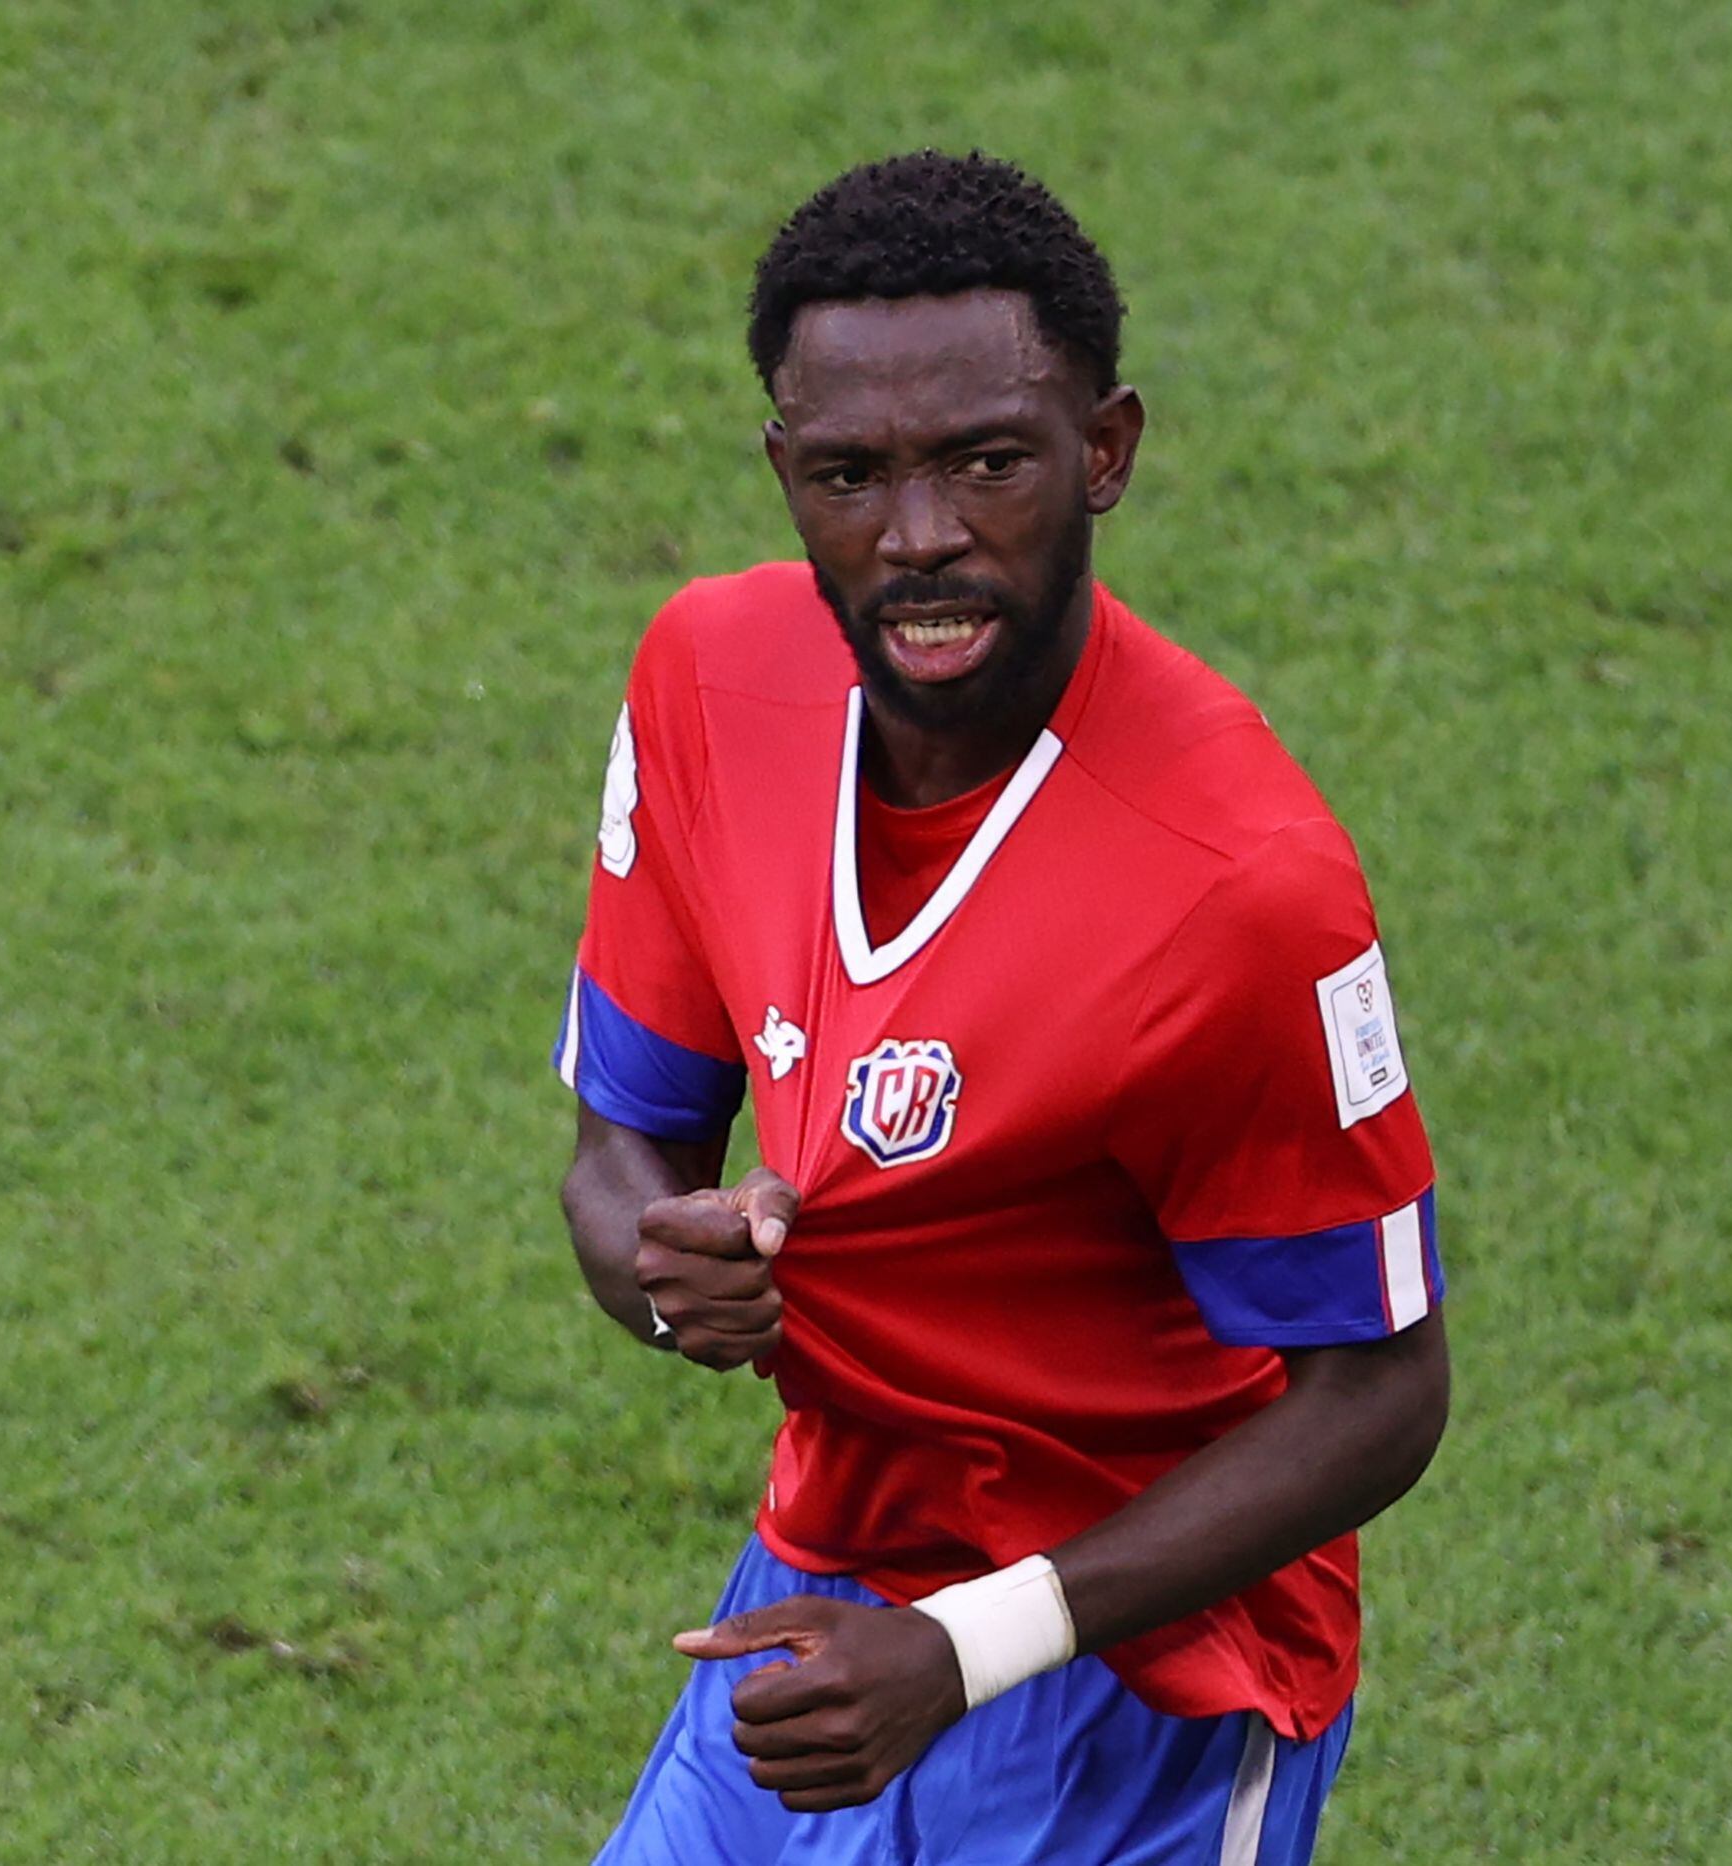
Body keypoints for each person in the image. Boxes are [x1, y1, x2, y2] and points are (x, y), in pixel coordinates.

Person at [553, 150, 1450, 1866]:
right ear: (784, 473)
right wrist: (666, 1271)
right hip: (822, 1593)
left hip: (1144, 1683)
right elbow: (620, 1145)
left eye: (987, 462)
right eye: (850, 475)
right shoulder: (708, 682)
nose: (920, 538)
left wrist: (967, 1648)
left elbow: (1383, 1389)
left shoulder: (1237, 887)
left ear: (1104, 450)